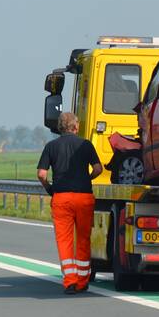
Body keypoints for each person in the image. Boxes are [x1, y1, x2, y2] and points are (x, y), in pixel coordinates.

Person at [37, 112, 103, 294]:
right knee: (83, 239)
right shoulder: (85, 144)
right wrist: (88, 178)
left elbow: (41, 174)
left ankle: (70, 282)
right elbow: (98, 168)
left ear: (60, 128)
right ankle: (83, 281)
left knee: (64, 240)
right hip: (83, 197)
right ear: (76, 127)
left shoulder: (51, 146)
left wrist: (49, 188)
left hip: (61, 198)